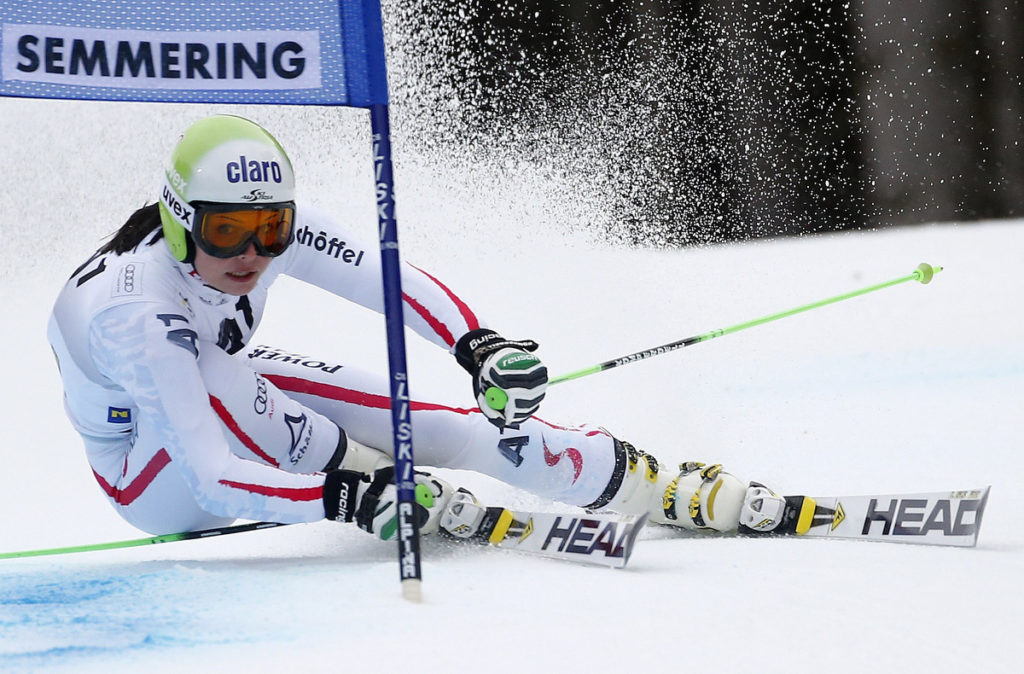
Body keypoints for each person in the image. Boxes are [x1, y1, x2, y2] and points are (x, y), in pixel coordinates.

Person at [47, 114, 789, 544]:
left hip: (231, 393)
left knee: (435, 424)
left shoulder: (265, 236)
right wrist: (342, 498)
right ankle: (378, 483)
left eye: (270, 229)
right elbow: (209, 471)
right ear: (180, 223)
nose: (252, 253)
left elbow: (385, 276)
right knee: (224, 379)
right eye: (227, 231)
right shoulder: (136, 312)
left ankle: (635, 480)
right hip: (150, 474)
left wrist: (481, 347)